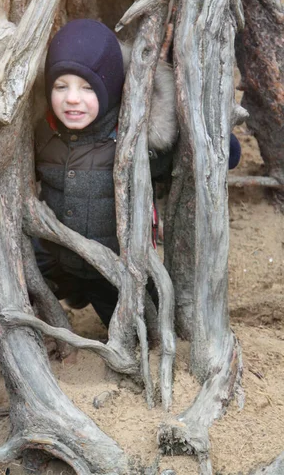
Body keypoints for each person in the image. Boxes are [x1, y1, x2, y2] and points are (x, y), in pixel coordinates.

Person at [34, 19, 241, 327]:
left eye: (88, 87)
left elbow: (200, 155)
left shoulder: (135, 140)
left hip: (115, 270)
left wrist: (219, 145)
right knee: (23, 273)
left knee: (143, 327)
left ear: (111, 87)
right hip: (54, 261)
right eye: (61, 86)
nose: (72, 98)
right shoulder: (42, 132)